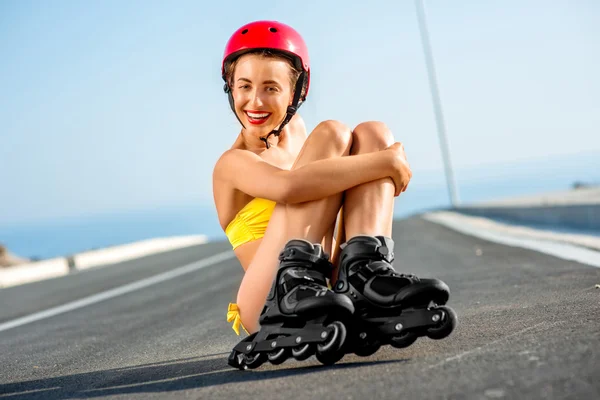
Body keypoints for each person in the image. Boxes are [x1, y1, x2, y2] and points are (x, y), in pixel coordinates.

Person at [212, 20, 456, 369]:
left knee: (372, 131)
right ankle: (296, 281)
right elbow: (291, 188)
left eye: (271, 88)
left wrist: (378, 156)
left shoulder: (298, 136)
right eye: (244, 86)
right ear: (229, 88)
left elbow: (329, 188)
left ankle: (365, 273)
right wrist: (387, 163)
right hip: (269, 296)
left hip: (325, 283)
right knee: (333, 133)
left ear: (297, 92)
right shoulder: (232, 164)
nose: (255, 101)